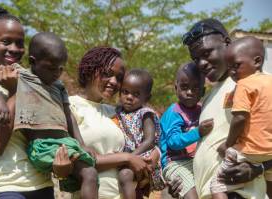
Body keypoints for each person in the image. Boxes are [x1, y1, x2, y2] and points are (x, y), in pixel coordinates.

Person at [0, 4, 59, 198]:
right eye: (6, 41)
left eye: (19, 43)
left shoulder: (30, 79)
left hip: (42, 184)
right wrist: (13, 94)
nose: (14, 49)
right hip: (5, 187)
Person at [182, 18, 272, 199]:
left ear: (228, 43)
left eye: (207, 53)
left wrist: (260, 167)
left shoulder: (258, 83)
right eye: (196, 59)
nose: (201, 64)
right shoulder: (208, 96)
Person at [68, 46, 158, 199]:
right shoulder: (71, 107)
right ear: (90, 70)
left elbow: (146, 140)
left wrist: (155, 155)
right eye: (107, 74)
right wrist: (128, 158)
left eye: (119, 77)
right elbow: (79, 160)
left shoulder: (117, 112)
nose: (114, 82)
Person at [210, 36, 272, 198]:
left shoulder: (244, 84)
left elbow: (240, 118)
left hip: (249, 151)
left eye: (236, 66)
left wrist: (227, 144)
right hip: (270, 153)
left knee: (216, 185)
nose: (232, 72)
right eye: (229, 68)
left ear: (257, 61)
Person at [160, 62, 214, 199]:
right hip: (174, 162)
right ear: (176, 88)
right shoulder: (174, 112)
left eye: (195, 88)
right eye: (184, 87)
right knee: (192, 195)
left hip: (193, 160)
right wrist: (198, 132)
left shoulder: (202, 109)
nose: (189, 92)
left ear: (202, 91)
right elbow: (173, 141)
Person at [111, 68, 165, 198]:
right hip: (128, 157)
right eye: (125, 92)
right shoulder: (118, 112)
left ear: (147, 97)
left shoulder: (145, 114)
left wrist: (130, 157)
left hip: (143, 156)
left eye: (136, 94)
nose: (129, 97)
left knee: (125, 175)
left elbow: (149, 140)